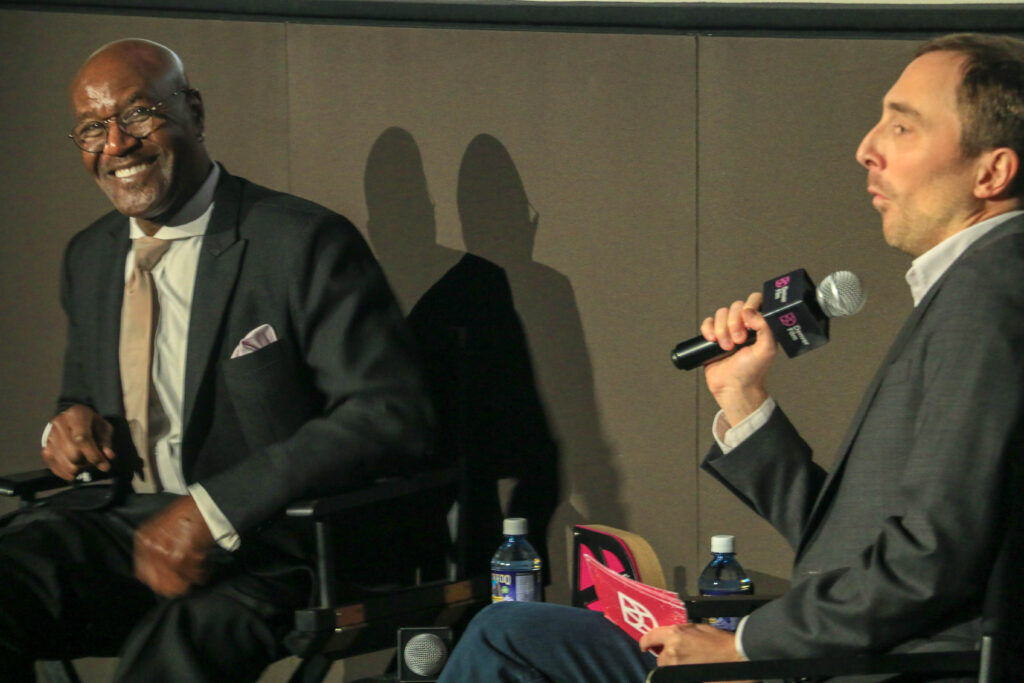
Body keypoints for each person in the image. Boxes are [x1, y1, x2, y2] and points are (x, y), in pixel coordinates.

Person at [438, 32, 1024, 681]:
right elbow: (849, 545)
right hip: (837, 650)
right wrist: (743, 399)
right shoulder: (973, 289)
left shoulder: (989, 297)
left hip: (873, 666)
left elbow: (930, 561)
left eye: (902, 126)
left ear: (991, 172)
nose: (867, 148)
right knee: (512, 630)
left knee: (507, 638)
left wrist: (743, 645)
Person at [0, 39, 430, 681]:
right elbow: (79, 397)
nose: (116, 144)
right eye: (93, 127)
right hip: (128, 526)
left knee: (171, 653)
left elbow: (387, 413)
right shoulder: (90, 256)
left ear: (193, 113)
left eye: (138, 114)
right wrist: (68, 425)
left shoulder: (300, 242)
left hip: (276, 540)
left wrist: (213, 508)